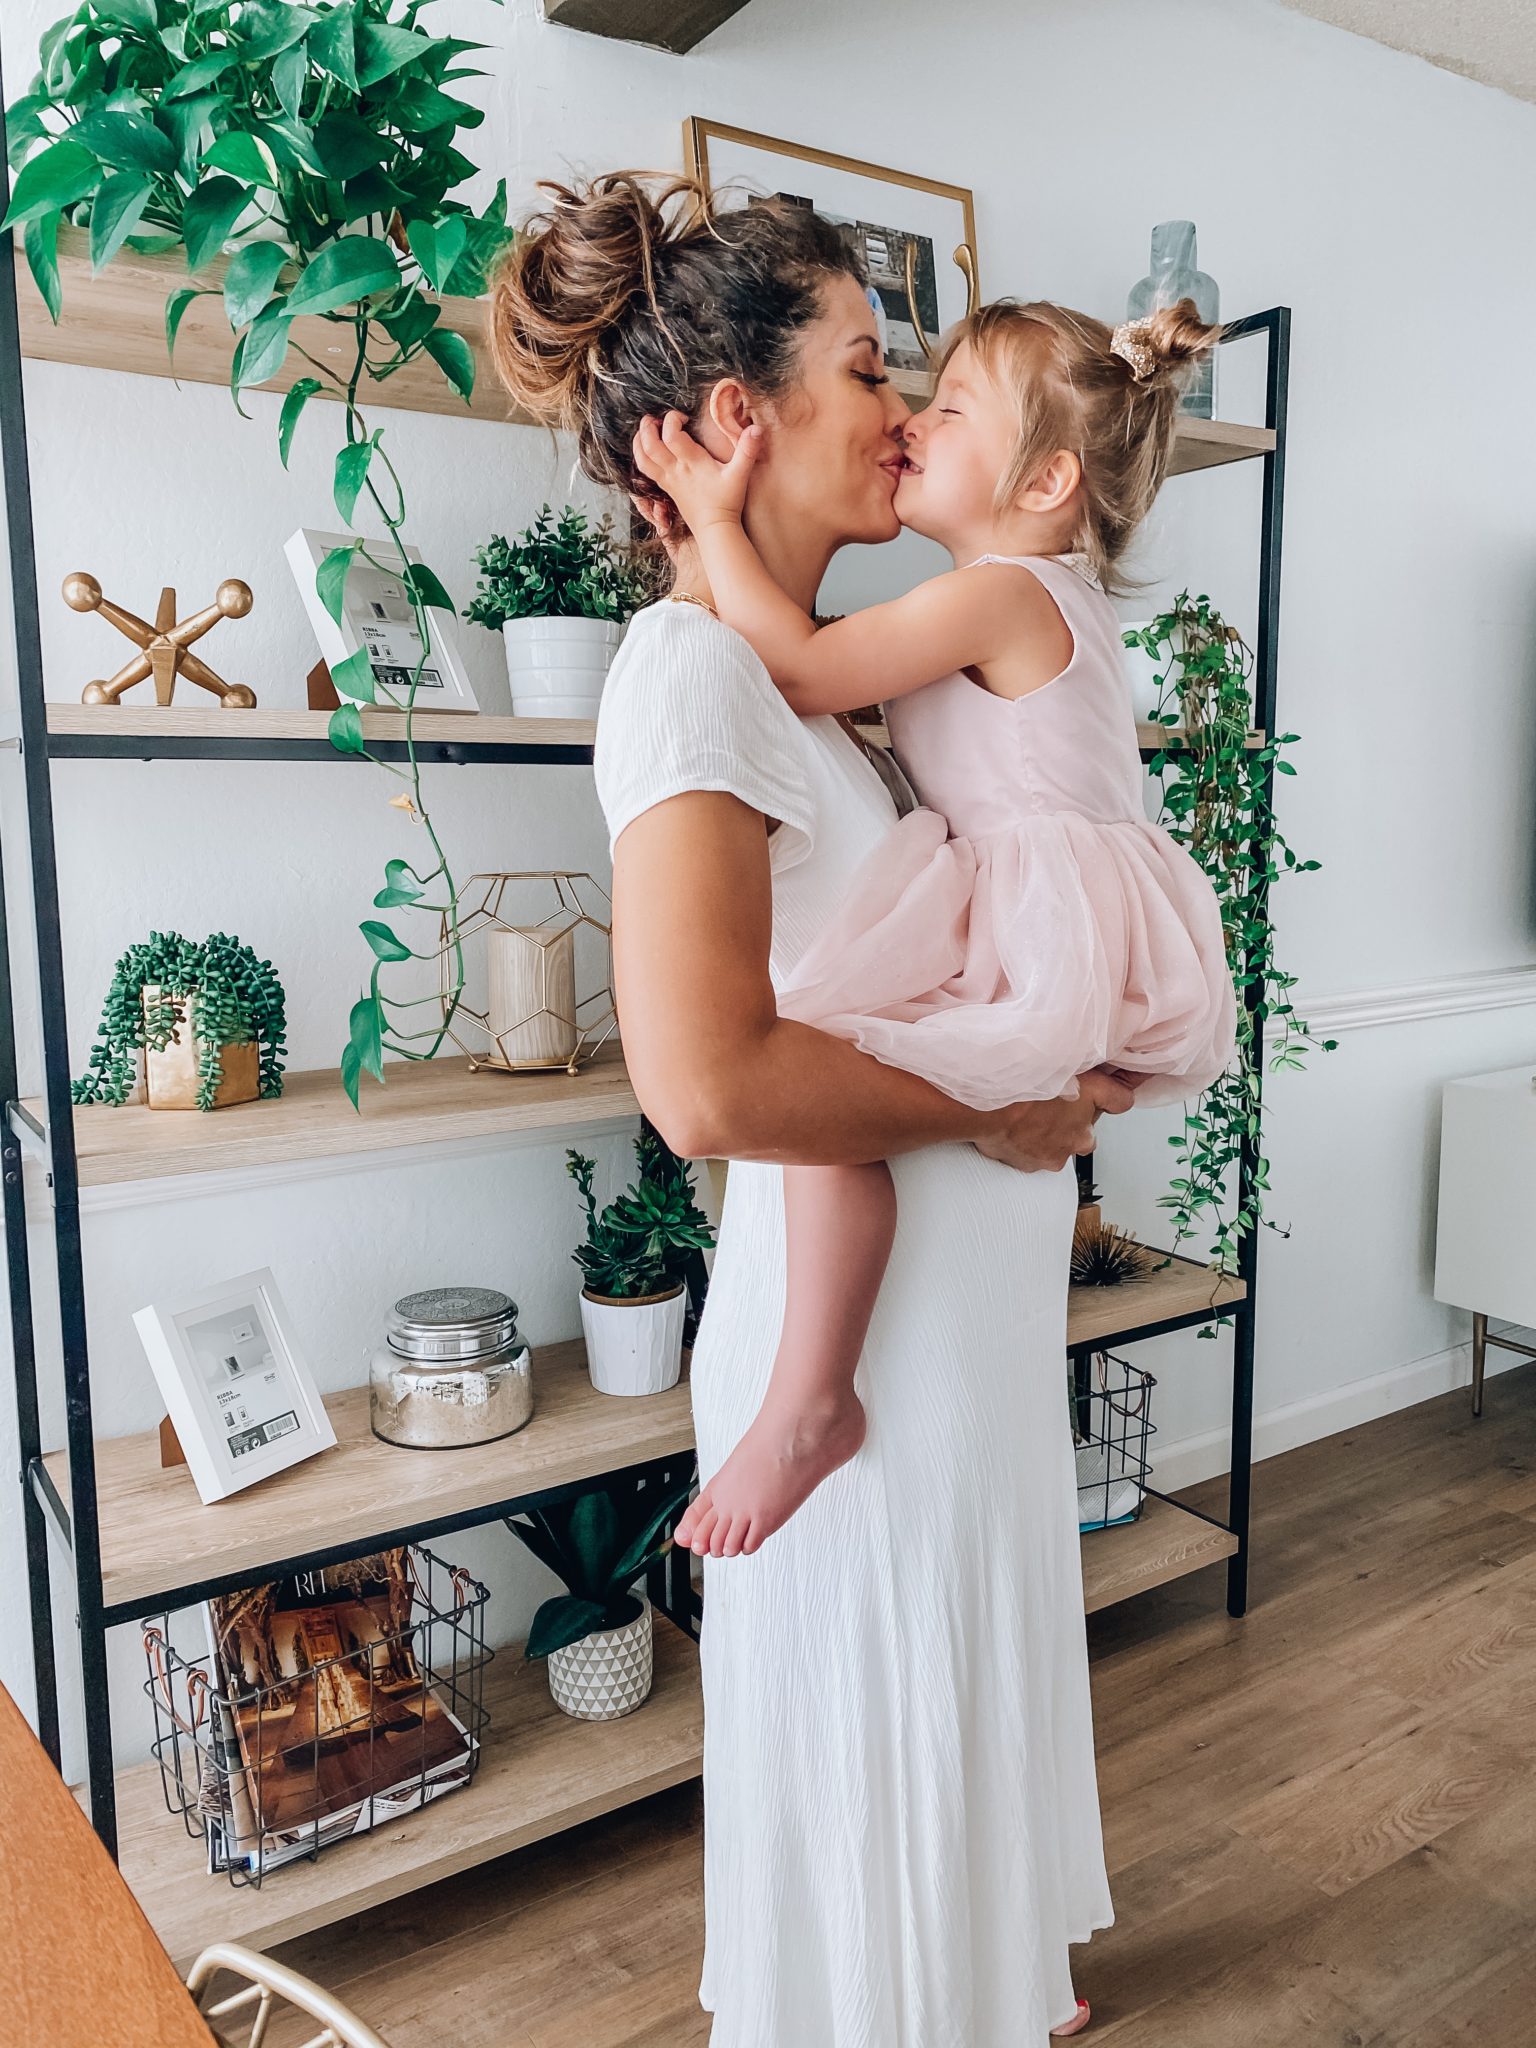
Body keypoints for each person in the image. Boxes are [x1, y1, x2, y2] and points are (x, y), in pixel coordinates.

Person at [491, 170, 1135, 2044]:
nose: (902, 410)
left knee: (946, 1714)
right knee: (880, 1745)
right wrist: (997, 1110)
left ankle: (980, 1972)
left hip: (956, 1343)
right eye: (869, 365)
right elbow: (702, 1084)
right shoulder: (692, 675)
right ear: (732, 423)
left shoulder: (811, 687)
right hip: (858, 1368)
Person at [629, 297, 1236, 1564]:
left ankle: (810, 1395)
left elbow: (795, 663)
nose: (912, 420)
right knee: (826, 1081)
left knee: (841, 1063)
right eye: (887, 380)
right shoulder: (1000, 597)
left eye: (948, 407)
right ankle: (809, 1394)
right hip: (1035, 914)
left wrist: (717, 522)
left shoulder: (1002, 593)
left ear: (1048, 477)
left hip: (1034, 919)